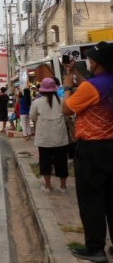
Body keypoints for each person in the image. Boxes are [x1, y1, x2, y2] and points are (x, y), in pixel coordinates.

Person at [62, 41, 113, 263]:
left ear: (99, 63)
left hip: (92, 149)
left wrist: (66, 86)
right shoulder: (99, 84)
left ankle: (95, 248)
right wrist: (75, 75)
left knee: (91, 200)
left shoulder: (90, 88)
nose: (89, 63)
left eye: (92, 60)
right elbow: (92, 91)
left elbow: (67, 108)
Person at [30, 78, 69, 193]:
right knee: (62, 162)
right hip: (60, 137)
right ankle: (63, 187)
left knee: (45, 162)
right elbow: (67, 117)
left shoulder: (36, 102)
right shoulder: (61, 101)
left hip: (44, 137)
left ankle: (48, 186)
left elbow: (32, 117)